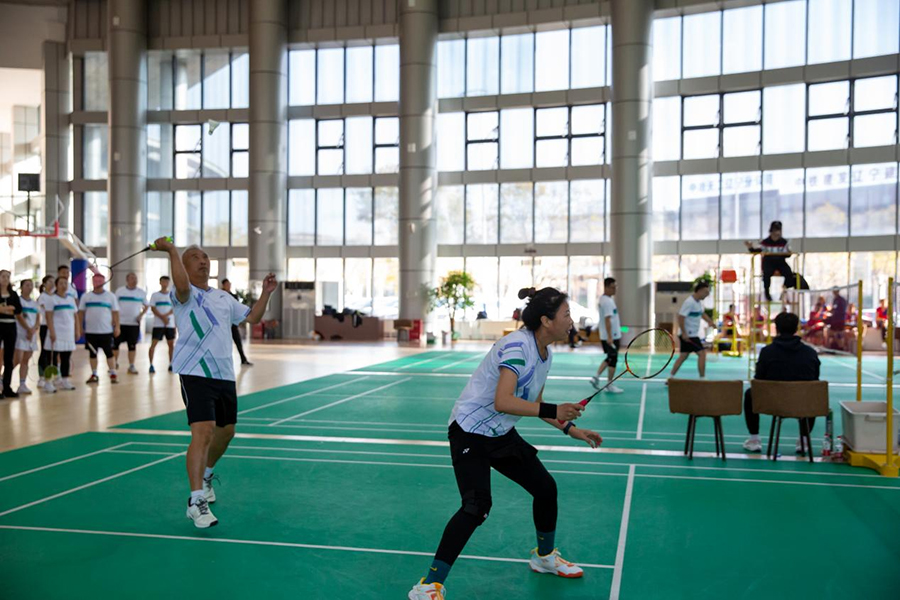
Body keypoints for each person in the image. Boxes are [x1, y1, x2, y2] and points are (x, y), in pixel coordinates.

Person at [408, 287, 603, 600]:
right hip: (470, 430)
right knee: (476, 506)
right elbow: (503, 401)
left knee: (545, 488)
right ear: (546, 320)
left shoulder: (545, 354)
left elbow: (534, 403)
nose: (571, 320)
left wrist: (571, 429)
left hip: (500, 432)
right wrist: (555, 409)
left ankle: (544, 557)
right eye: (566, 314)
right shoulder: (517, 346)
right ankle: (428, 586)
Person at [151, 239, 277, 528]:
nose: (203, 260)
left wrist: (266, 293)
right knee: (204, 431)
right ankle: (196, 501)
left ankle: (206, 476)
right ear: (184, 266)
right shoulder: (182, 295)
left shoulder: (223, 297)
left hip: (224, 373)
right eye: (195, 257)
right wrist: (171, 251)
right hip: (194, 371)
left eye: (205, 256)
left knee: (227, 431)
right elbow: (181, 284)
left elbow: (253, 317)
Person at [742, 312, 820, 455]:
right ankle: (803, 441)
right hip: (802, 402)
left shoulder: (767, 352)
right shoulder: (810, 353)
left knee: (750, 394)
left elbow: (758, 380)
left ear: (776, 328)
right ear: (796, 328)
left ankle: (754, 439)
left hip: (773, 403)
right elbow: (815, 380)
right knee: (812, 393)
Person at [79, 274, 121, 385]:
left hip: (106, 331)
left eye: (100, 281)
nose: (97, 283)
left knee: (109, 353)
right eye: (95, 281)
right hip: (90, 331)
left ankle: (113, 373)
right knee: (93, 353)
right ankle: (94, 374)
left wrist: (117, 327)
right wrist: (80, 327)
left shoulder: (110, 296)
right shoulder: (86, 297)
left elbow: (115, 312)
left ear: (104, 282)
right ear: (92, 282)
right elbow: (81, 313)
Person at [669, 281, 715, 380]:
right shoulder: (689, 302)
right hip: (689, 335)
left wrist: (710, 322)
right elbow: (681, 317)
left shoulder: (699, 303)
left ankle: (670, 377)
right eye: (706, 292)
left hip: (692, 334)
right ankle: (702, 378)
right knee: (702, 354)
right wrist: (684, 333)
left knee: (683, 356)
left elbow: (701, 313)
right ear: (699, 291)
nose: (707, 295)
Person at [745, 221, 797, 301]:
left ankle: (784, 291)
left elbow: (788, 254)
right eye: (775, 231)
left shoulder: (784, 242)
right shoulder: (765, 242)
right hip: (768, 262)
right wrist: (750, 247)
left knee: (789, 273)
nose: (777, 233)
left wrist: (788, 252)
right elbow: (756, 251)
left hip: (780, 262)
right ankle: (767, 293)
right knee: (766, 274)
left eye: (778, 231)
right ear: (771, 231)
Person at [46, 277, 80, 391]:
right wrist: (52, 331)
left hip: (68, 333)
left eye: (65, 283)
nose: (64, 285)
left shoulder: (71, 299)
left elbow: (75, 316)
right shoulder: (52, 299)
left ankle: (65, 380)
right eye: (61, 283)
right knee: (52, 358)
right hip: (56, 332)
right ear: (56, 285)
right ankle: (49, 381)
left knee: (66, 357)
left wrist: (77, 330)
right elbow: (48, 317)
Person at [591, 277, 623, 394]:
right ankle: (610, 384)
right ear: (606, 287)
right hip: (611, 336)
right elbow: (607, 320)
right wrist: (610, 337)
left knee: (609, 358)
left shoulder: (605, 299)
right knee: (613, 359)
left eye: (616, 287)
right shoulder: (607, 301)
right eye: (612, 287)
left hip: (608, 335)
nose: (615, 289)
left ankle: (596, 377)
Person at [114, 272, 148, 374]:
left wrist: (141, 315)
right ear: (127, 280)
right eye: (132, 278)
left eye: (135, 278)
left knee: (132, 346)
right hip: (120, 323)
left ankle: (131, 366)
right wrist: (114, 320)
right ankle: (114, 363)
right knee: (115, 345)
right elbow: (114, 306)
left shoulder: (141, 292)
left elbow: (146, 305)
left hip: (134, 324)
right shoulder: (120, 291)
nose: (134, 280)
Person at [14, 279, 41, 395]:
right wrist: (28, 329)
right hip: (20, 334)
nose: (29, 287)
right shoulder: (18, 301)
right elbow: (19, 316)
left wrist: (33, 330)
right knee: (16, 360)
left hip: (31, 336)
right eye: (27, 285)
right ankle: (3, 379)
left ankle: (22, 384)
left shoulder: (35, 304)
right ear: (21, 287)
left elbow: (38, 319)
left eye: (31, 285)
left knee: (26, 360)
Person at [0, 270, 23, 398]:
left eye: (7, 277)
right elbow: (12, 309)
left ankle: (7, 387)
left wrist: (4, 309)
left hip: (10, 327)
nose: (5, 279)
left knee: (9, 358)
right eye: (3, 276)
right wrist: (8, 309)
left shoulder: (13, 294)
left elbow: (18, 309)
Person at [148, 275, 176, 374]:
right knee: (153, 344)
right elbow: (153, 308)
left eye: (167, 282)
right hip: (158, 324)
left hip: (169, 324)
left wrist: (166, 316)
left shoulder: (172, 295)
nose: (165, 283)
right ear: (160, 282)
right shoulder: (155, 295)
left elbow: (174, 308)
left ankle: (171, 364)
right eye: (163, 281)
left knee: (171, 344)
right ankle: (151, 364)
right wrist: (162, 317)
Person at [221, 278, 251, 366]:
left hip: (233, 323)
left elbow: (237, 309)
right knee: (223, 343)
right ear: (223, 285)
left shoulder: (234, 296)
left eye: (229, 284)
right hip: (224, 324)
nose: (228, 286)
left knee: (238, 341)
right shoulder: (220, 296)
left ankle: (243, 359)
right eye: (227, 284)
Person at [36, 275, 57, 392]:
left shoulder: (55, 296)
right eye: (49, 281)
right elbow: (49, 311)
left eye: (53, 281)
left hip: (55, 327)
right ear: (44, 284)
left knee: (53, 353)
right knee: (44, 352)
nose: (52, 283)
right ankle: (41, 376)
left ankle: (52, 375)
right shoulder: (43, 297)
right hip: (45, 326)